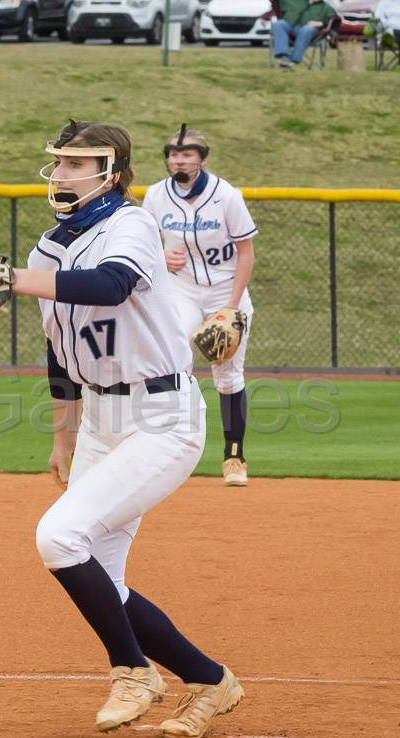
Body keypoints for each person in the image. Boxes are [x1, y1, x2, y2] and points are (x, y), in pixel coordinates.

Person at [0, 119, 243, 737]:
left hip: (161, 418)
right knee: (100, 573)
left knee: (58, 537)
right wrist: (64, 432)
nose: (61, 173)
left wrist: (8, 277)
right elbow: (60, 350)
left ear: (110, 174)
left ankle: (132, 670)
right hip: (99, 422)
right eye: (58, 162)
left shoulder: (134, 225)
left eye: (75, 164)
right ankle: (212, 681)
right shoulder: (46, 250)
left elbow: (111, 286)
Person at [142, 126, 257, 487]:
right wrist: (161, 256)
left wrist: (232, 308)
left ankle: (234, 457)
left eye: (188, 153)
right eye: (174, 153)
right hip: (182, 290)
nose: (179, 158)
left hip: (226, 290)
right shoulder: (156, 196)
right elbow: (142, 245)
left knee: (227, 375)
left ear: (202, 159)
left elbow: (246, 252)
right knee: (172, 362)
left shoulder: (227, 196)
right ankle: (165, 450)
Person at [271, 0, 337, 67]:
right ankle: (283, 54)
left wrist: (322, 23)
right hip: (297, 26)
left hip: (312, 30)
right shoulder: (305, 4)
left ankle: (294, 59)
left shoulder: (326, 7)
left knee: (306, 29)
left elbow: (334, 20)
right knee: (278, 24)